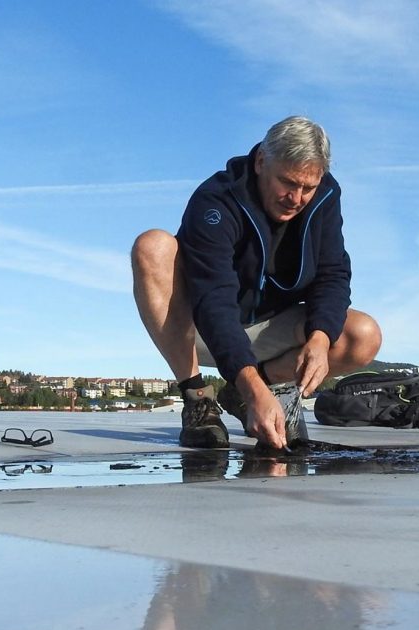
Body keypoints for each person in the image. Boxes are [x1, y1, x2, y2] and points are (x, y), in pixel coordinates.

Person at [132, 116, 381, 449]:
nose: (296, 197)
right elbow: (214, 300)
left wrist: (320, 340)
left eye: (308, 187)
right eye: (288, 183)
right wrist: (251, 385)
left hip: (270, 332)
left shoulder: (325, 198)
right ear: (262, 161)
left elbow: (332, 274)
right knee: (153, 245)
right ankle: (199, 400)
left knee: (362, 335)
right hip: (200, 330)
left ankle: (251, 388)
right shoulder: (216, 200)